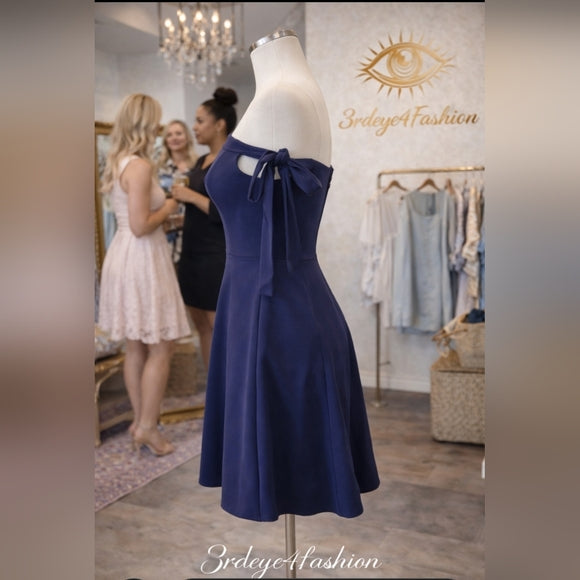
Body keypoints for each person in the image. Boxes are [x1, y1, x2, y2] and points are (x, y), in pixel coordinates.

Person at [198, 30, 380, 522]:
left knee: (286, 443)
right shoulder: (299, 93)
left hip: (273, 311)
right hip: (265, 304)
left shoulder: (281, 97)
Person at [98, 93, 191, 457]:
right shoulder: (138, 166)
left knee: (136, 345)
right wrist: (170, 204)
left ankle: (140, 422)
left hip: (125, 254)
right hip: (141, 256)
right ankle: (148, 426)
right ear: (144, 124)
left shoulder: (119, 161)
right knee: (161, 345)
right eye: (155, 122)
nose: (159, 129)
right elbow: (141, 225)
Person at [170, 87, 238, 372]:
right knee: (201, 325)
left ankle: (230, 388)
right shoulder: (201, 161)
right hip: (191, 255)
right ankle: (214, 388)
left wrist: (190, 197)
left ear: (219, 124)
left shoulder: (232, 162)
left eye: (200, 121)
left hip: (215, 256)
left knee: (219, 327)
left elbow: (231, 212)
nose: (195, 127)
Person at [156, 120, 198, 264]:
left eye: (178, 133)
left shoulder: (198, 166)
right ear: (165, 140)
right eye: (169, 135)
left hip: (194, 233)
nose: (174, 138)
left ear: (187, 137)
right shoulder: (158, 168)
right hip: (166, 234)